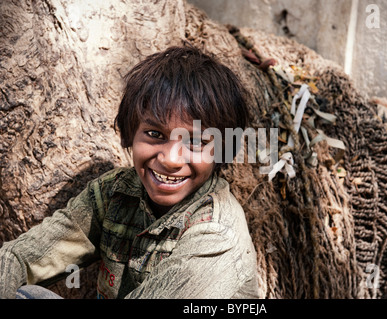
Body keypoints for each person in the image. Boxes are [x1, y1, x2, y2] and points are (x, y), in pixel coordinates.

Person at [0, 45, 260, 299]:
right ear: (129, 135)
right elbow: (21, 257)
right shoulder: (116, 193)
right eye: (155, 134)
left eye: (195, 142)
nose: (170, 159)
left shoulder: (215, 235)